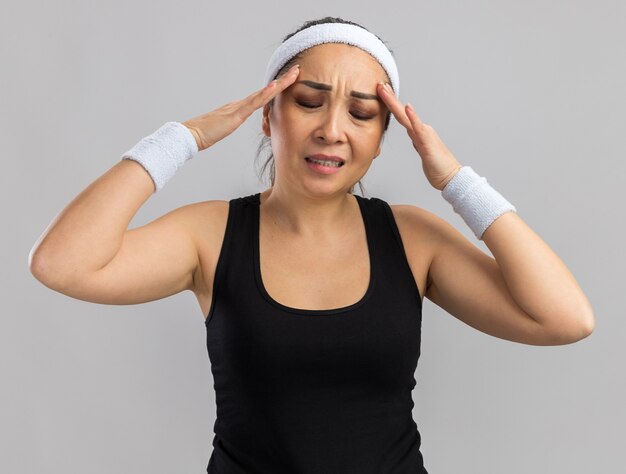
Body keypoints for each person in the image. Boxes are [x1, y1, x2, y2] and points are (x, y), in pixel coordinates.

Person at [29, 16, 595, 474]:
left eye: (362, 112)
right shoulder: (208, 235)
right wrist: (185, 138)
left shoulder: (413, 237)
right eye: (307, 101)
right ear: (267, 115)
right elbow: (62, 263)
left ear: (381, 137)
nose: (332, 129)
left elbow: (565, 319)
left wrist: (455, 180)